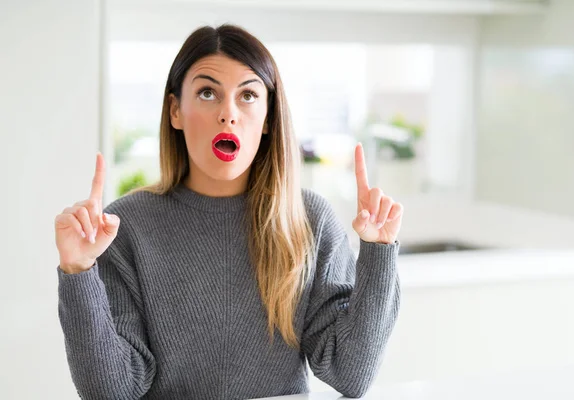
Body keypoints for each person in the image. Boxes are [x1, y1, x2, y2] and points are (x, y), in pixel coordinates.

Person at [54, 24, 403, 400]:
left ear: (268, 118)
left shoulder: (310, 220)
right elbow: (111, 392)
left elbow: (349, 374)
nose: (228, 114)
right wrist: (78, 271)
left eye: (248, 95)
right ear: (175, 110)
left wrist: (379, 251)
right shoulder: (128, 228)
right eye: (207, 93)